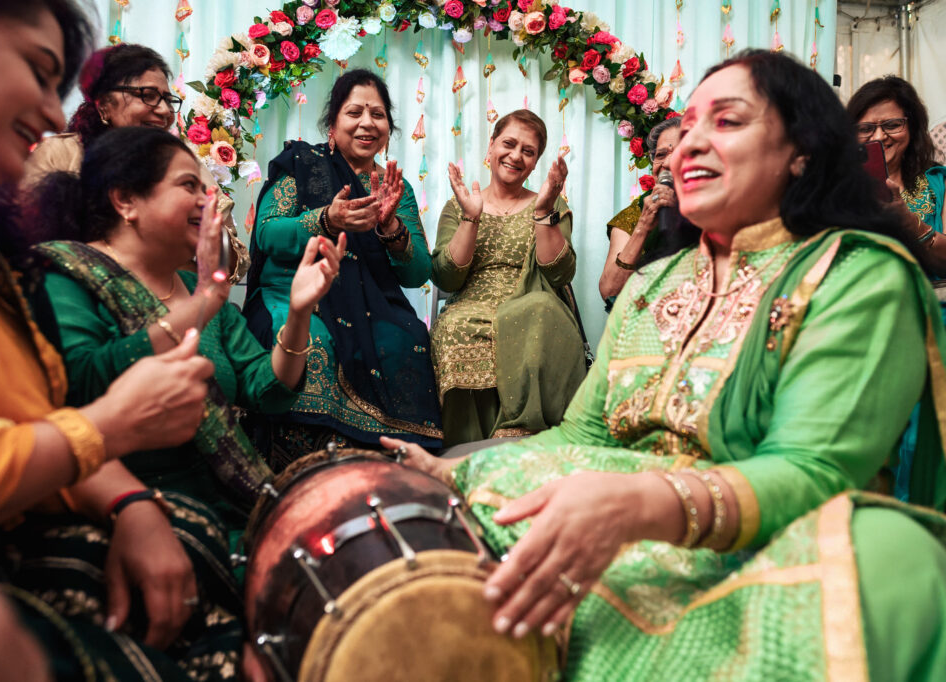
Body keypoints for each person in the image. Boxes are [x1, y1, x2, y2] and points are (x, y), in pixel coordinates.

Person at [382, 49, 946, 681]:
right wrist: (457, 473)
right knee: (432, 509)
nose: (690, 146)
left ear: (803, 152)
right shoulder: (652, 282)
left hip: (759, 537)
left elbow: (813, 470)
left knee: (893, 559)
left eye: (726, 122)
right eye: (688, 128)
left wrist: (644, 505)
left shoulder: (857, 275)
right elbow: (580, 437)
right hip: (614, 505)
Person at [0, 1, 237, 680]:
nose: (50, 110)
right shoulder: (73, 268)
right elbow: (82, 401)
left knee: (205, 548)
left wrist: (127, 501)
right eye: (38, 73)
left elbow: (35, 413)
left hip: (68, 514)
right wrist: (108, 428)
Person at [30, 125, 344, 534]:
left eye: (205, 187)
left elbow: (269, 390)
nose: (207, 200)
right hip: (127, 521)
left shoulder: (206, 298)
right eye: (188, 186)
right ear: (126, 200)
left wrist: (300, 313)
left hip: (226, 516)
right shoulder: (67, 276)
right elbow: (84, 383)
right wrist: (203, 303)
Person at [244, 68, 440, 471]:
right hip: (295, 294)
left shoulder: (392, 189)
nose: (367, 122)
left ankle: (380, 468)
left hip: (373, 306)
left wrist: (390, 226)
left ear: (388, 127)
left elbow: (417, 271)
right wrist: (326, 220)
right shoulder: (302, 164)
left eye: (378, 113)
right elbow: (268, 233)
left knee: (409, 340)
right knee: (313, 342)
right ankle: (299, 468)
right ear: (332, 124)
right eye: (355, 112)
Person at [21, 43, 250, 282]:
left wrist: (201, 205)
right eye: (148, 96)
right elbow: (24, 245)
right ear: (103, 104)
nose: (164, 111)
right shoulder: (59, 154)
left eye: (168, 100)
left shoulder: (184, 166)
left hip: (172, 306)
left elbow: (233, 265)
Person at [430, 109, 585, 447]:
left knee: (539, 310)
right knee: (453, 326)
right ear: (491, 147)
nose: (516, 156)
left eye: (527, 152)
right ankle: (468, 449)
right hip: (469, 308)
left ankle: (521, 440)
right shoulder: (459, 205)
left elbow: (559, 272)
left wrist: (544, 211)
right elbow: (446, 277)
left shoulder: (551, 203)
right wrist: (471, 218)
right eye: (509, 144)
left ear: (535, 163)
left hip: (533, 310)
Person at [847, 76, 946, 279]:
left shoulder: (938, 182)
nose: (879, 137)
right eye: (865, 129)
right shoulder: (838, 188)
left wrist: (911, 223)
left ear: (912, 128)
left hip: (930, 306)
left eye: (892, 125)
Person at [598, 117, 694, 303]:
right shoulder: (635, 214)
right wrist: (644, 225)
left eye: (679, 153)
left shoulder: (713, 207)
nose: (666, 163)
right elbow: (608, 290)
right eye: (660, 155)